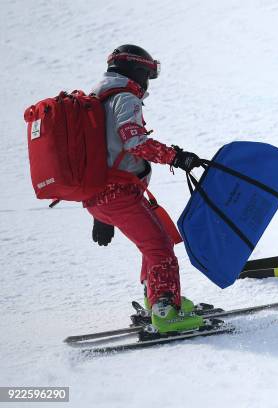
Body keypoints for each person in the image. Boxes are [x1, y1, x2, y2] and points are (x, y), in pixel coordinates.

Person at [85, 44, 205, 334]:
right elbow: (135, 143)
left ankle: (157, 299)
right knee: (160, 248)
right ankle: (165, 312)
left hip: (99, 194)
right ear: (137, 71)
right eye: (148, 74)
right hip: (119, 193)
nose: (148, 82)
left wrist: (100, 215)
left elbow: (98, 154)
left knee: (155, 240)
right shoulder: (125, 99)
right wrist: (177, 157)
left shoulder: (96, 99)